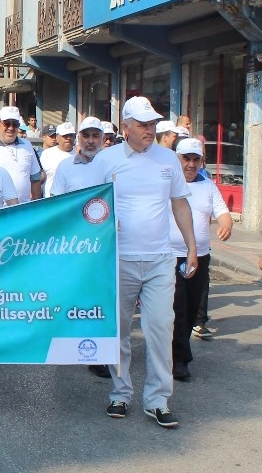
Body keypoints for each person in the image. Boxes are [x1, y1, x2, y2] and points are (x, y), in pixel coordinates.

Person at [92, 96, 197, 428]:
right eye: (142, 125)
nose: (149, 130)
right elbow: (90, 205)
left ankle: (157, 400)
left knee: (159, 329)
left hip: (160, 261)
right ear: (125, 127)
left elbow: (180, 205)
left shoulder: (168, 159)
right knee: (119, 332)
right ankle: (120, 393)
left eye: (152, 124)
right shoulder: (105, 160)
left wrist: (191, 248)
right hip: (119, 260)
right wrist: (107, 222)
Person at [48, 117, 111, 378]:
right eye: (86, 135)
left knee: (100, 299)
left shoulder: (112, 165)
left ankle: (99, 355)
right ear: (78, 138)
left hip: (104, 243)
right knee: (72, 295)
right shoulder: (65, 167)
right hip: (74, 243)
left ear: (103, 139)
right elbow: (56, 204)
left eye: (95, 135)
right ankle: (66, 346)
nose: (90, 140)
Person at [170, 138, 232, 382]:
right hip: (171, 256)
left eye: (196, 159)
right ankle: (179, 360)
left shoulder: (208, 185)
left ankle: (179, 352)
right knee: (178, 308)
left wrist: (226, 225)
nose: (191, 164)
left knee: (192, 305)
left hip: (200, 258)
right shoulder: (167, 185)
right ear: (177, 160)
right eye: (186, 159)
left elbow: (223, 212)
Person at [0, 106, 43, 203]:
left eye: (15, 124)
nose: (11, 128)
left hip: (23, 209)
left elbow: (35, 179)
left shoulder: (27, 145)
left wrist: (36, 209)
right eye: (6, 123)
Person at [40, 122, 76, 197]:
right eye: (65, 136)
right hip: (50, 202)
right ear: (57, 137)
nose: (68, 138)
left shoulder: (79, 154)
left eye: (71, 135)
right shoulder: (46, 154)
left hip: (73, 201)